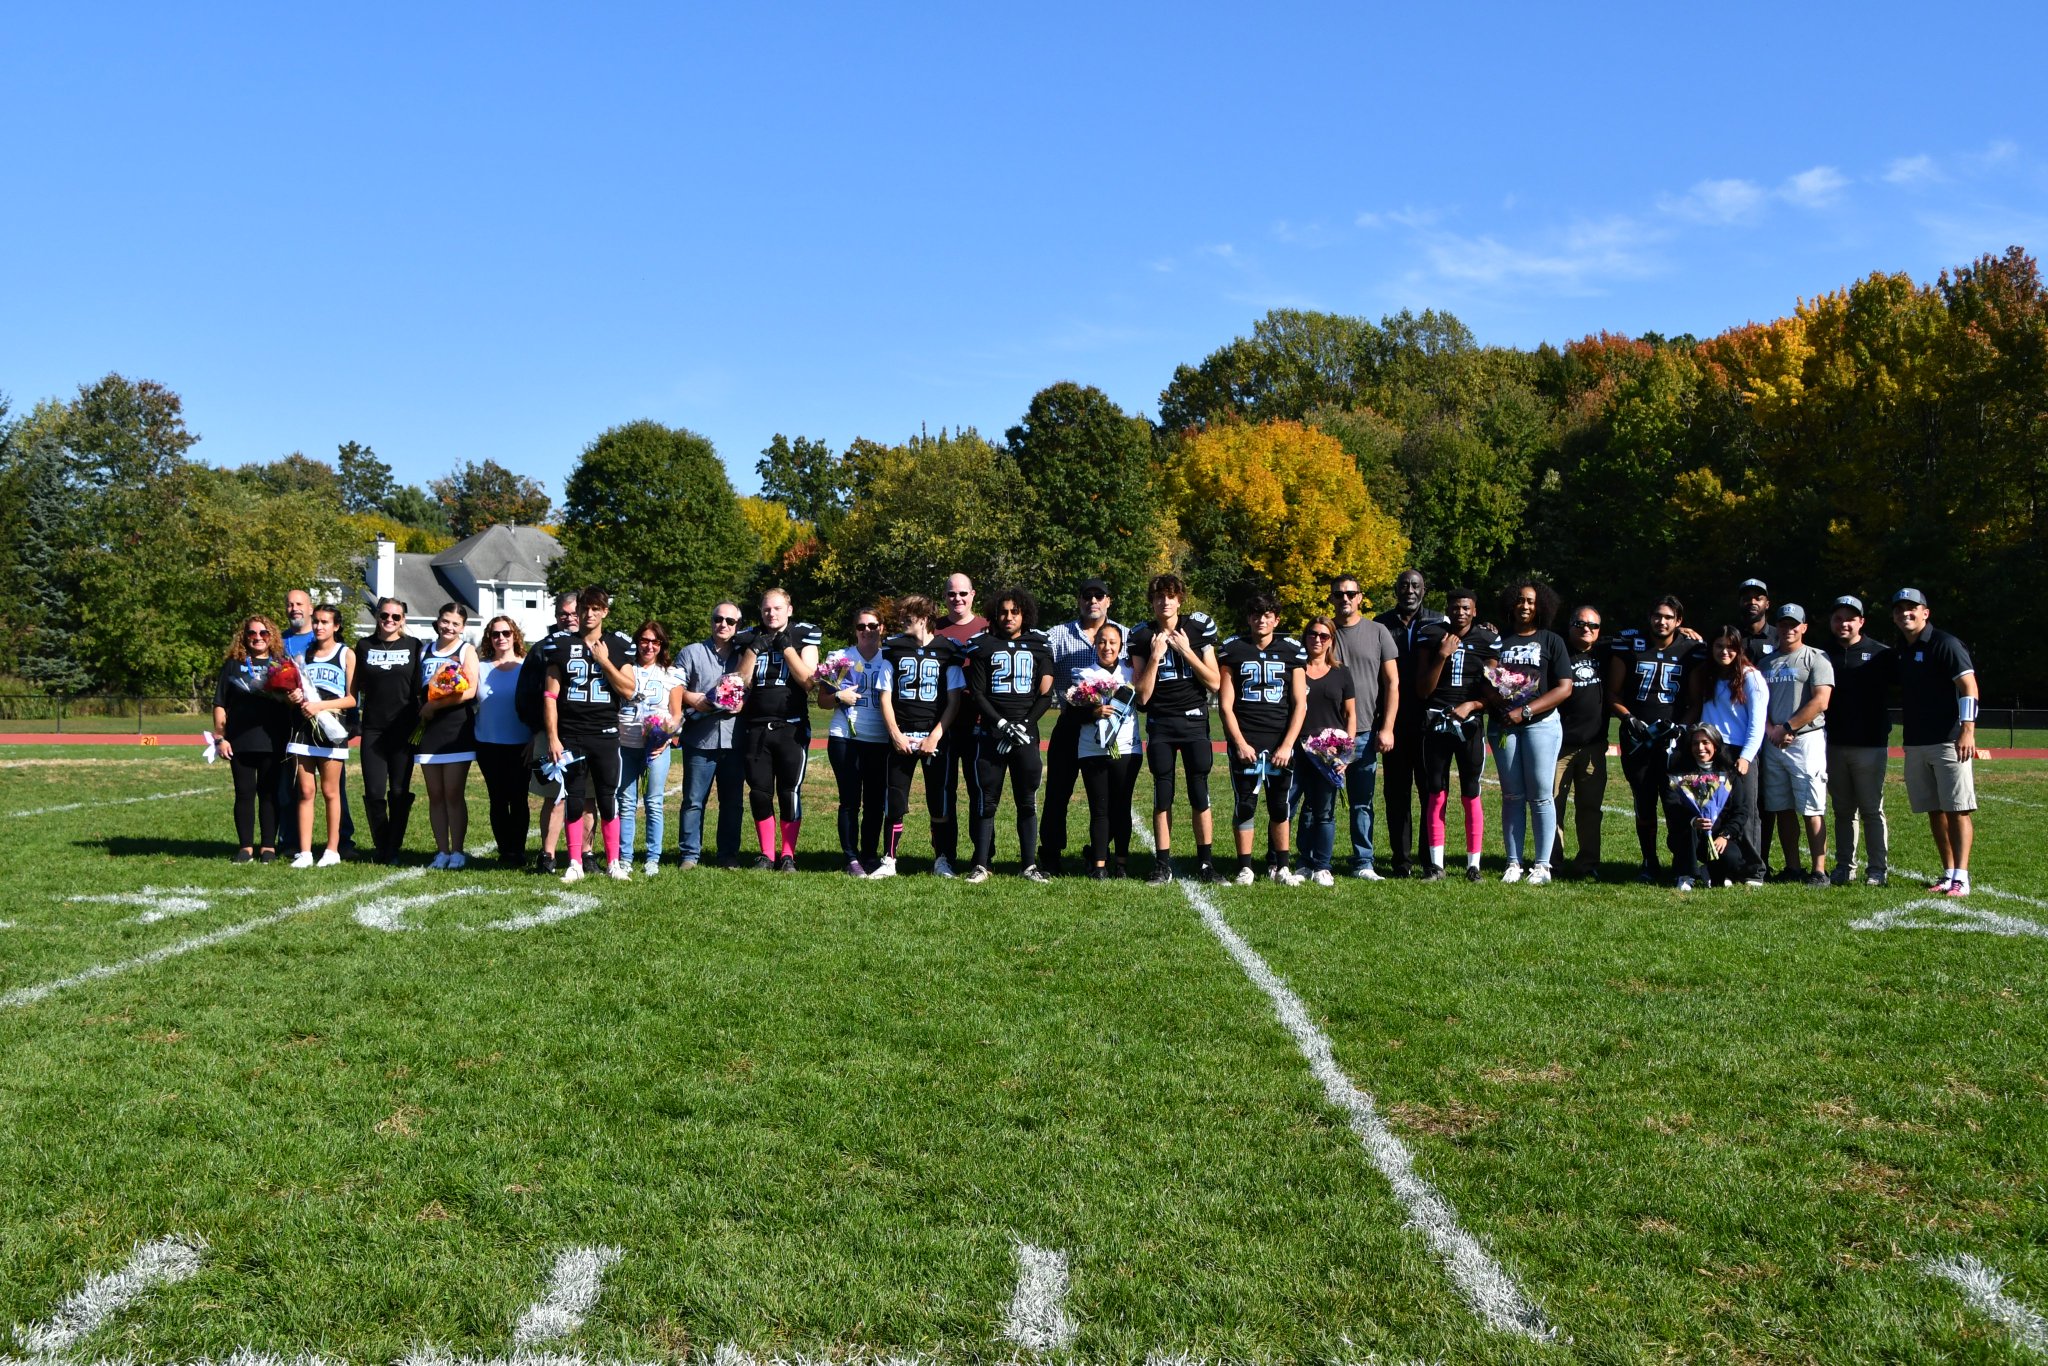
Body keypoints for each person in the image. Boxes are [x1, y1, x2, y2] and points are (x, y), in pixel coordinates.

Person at [1129, 573, 1222, 885]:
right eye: (1158, 596)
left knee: (1199, 792)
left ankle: (1206, 864)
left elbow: (1215, 683)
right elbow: (1142, 696)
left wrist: (1186, 651)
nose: (1164, 602)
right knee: (1162, 795)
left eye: (1170, 596)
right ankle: (1162, 863)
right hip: (1161, 723)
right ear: (1152, 601)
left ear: (1180, 598)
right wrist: (1155, 658)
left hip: (1195, 720)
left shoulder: (1196, 628)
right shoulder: (1142, 635)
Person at [1607, 595, 1707, 883]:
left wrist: (1681, 728)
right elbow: (1613, 693)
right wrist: (1628, 718)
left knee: (1676, 803)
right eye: (1657, 615)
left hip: (1673, 741)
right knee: (1644, 801)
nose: (1661, 622)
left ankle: (1682, 864)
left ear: (1679, 622)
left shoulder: (1692, 650)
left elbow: (1695, 700)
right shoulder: (1630, 645)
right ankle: (1649, 861)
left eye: (1668, 617)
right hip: (1638, 739)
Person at [1483, 579, 1575, 886]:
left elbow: (1564, 688)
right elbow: (1490, 676)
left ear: (1542, 606)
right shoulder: (1499, 639)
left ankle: (1542, 865)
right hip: (1504, 726)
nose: (1525, 606)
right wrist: (1501, 697)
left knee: (1540, 796)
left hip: (1541, 725)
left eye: (1531, 601)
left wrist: (1525, 710)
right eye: (1520, 600)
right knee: (1511, 795)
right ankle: (1513, 862)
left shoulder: (1552, 641)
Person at [962, 588, 1056, 883]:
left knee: (1027, 800)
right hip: (992, 734)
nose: (1009, 617)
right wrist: (1002, 724)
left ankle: (1028, 865)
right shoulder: (982, 644)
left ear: (1024, 613)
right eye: (1003, 611)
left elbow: (1046, 693)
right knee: (986, 801)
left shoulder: (1039, 644)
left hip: (1025, 734)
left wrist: (1024, 724)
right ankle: (980, 864)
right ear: (994, 613)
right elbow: (977, 693)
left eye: (1015, 611)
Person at [544, 586, 637, 882]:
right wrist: (553, 737)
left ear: (605, 611)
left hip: (606, 733)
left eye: (596, 608)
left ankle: (613, 862)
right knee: (573, 796)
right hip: (571, 734)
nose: (590, 613)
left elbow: (629, 690)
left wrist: (604, 661)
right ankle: (574, 861)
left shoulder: (618, 644)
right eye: (585, 607)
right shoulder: (560, 644)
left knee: (608, 798)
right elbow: (549, 695)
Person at [1891, 587, 1979, 897]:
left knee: (1958, 808)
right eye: (1900, 609)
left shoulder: (1946, 643)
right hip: (1916, 742)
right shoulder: (1901, 648)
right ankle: (1947, 872)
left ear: (1925, 612)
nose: (1906, 613)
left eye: (1912, 607)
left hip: (1948, 741)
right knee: (1934, 810)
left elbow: (1969, 686)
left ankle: (1962, 876)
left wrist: (1967, 730)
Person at [1216, 592, 1309, 885]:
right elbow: (1225, 703)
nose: (1262, 620)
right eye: (1257, 615)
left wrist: (1287, 744)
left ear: (1276, 619)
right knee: (1245, 803)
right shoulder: (1234, 649)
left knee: (1280, 805)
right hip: (1247, 737)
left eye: (1268, 615)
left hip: (1279, 737)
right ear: (1249, 618)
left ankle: (1282, 867)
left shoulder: (1292, 651)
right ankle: (1245, 867)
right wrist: (1240, 743)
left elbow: (1300, 704)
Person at [731, 588, 822, 871]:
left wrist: (786, 648)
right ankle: (766, 854)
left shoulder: (804, 634)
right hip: (755, 726)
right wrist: (753, 650)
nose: (772, 613)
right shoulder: (748, 637)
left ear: (789, 609)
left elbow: (809, 681)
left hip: (791, 726)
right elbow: (738, 682)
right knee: (759, 791)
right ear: (761, 611)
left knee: (788, 791)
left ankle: (787, 855)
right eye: (767, 609)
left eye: (778, 608)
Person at [1037, 577, 1122, 875]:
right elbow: (1036, 650)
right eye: (1087, 596)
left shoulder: (1122, 634)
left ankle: (1097, 851)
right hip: (1072, 722)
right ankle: (1050, 853)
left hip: (1110, 728)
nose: (1093, 601)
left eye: (1100, 595)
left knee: (1108, 796)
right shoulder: (1060, 634)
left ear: (1109, 600)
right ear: (1080, 600)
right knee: (1058, 793)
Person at [877, 595, 967, 877]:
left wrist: (935, 737)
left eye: (908, 615)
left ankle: (942, 859)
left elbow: (954, 700)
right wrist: (895, 734)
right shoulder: (893, 649)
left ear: (925, 618)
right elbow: (885, 694)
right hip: (902, 734)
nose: (902, 619)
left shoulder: (947, 650)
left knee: (939, 800)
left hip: (934, 735)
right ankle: (889, 859)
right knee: (894, 800)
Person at [1414, 589, 1494, 882]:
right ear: (1448, 609)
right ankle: (1436, 864)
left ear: (1474, 610)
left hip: (1471, 724)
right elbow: (1423, 690)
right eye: (1455, 607)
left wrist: (1472, 704)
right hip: (1436, 721)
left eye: (1465, 607)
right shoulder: (1432, 634)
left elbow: (1495, 693)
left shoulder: (1487, 640)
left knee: (1471, 792)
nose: (1460, 612)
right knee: (1436, 792)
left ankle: (1474, 865)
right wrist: (1442, 656)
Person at [1374, 569, 1447, 877]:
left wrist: (1485, 627)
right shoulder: (1379, 624)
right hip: (1393, 719)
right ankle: (1401, 860)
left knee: (1430, 791)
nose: (1409, 590)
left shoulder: (1439, 621)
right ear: (1396, 589)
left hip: (1429, 720)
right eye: (1404, 585)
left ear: (1424, 590)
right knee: (1396, 792)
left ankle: (1430, 857)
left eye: (1415, 585)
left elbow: (1465, 636)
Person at [1328, 574, 1399, 879]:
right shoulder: (1323, 632)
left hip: (1367, 732)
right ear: (1332, 598)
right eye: (1339, 594)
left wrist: (1388, 727)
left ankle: (1363, 862)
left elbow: (1393, 682)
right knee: (1322, 802)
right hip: (1327, 735)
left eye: (1350, 593)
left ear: (1360, 597)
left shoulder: (1378, 631)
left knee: (1362, 802)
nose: (1345, 598)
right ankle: (1317, 861)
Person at [275, 587, 354, 856]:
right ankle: (300, 849)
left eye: (324, 622)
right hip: (299, 728)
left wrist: (321, 706)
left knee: (332, 791)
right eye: (317, 622)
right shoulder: (296, 649)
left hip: (331, 728)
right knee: (302, 791)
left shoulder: (345, 653)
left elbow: (352, 698)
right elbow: (292, 686)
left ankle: (337, 847)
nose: (319, 626)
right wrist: (293, 695)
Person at [1759, 604, 1834, 886]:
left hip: (1805, 740)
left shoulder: (1816, 658)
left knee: (1812, 807)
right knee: (1782, 808)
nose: (1787, 630)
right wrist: (1772, 730)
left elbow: (1821, 700)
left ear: (1803, 627)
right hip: (1774, 741)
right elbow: (1759, 703)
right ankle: (1792, 867)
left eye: (1794, 625)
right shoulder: (1767, 663)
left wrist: (1789, 727)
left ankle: (1818, 869)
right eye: (1783, 624)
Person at [1823, 595, 1894, 887]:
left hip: (1870, 744)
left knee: (1871, 809)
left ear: (1861, 622)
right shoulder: (1823, 654)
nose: (1844, 623)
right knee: (1842, 810)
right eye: (1838, 618)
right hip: (1835, 744)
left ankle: (1877, 868)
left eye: (1850, 618)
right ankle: (1844, 866)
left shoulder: (1882, 653)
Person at [211, 614, 294, 862]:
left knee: (269, 793)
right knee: (244, 793)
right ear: (244, 637)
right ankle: (245, 846)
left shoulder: (282, 664)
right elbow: (219, 703)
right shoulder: (233, 665)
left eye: (263, 633)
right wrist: (220, 738)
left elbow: (292, 701)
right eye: (252, 633)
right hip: (240, 740)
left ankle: (268, 846)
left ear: (272, 637)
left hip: (273, 739)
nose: (258, 638)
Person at [819, 608, 893, 876]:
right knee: (850, 800)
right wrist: (840, 697)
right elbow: (823, 701)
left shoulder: (890, 658)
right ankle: (851, 857)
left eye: (872, 625)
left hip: (880, 739)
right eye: (861, 626)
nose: (867, 631)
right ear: (855, 630)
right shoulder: (841, 658)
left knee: (875, 802)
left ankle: (869, 855)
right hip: (846, 738)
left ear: (881, 628)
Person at [673, 601, 746, 870]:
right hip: (699, 739)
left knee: (732, 802)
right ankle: (690, 855)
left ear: (738, 625)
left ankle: (727, 854)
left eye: (730, 621)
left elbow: (754, 690)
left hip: (734, 740)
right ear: (711, 620)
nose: (723, 625)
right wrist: (692, 698)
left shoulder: (744, 655)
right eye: (718, 619)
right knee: (693, 801)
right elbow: (674, 688)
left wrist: (744, 704)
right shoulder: (691, 652)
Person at [354, 597, 424, 864]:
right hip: (373, 728)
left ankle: (393, 848)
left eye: (396, 617)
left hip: (404, 728)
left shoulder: (413, 646)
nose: (390, 621)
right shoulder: (363, 646)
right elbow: (355, 686)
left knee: (398, 791)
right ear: (377, 617)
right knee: (373, 792)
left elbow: (420, 687)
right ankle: (382, 844)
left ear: (403, 619)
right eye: (385, 616)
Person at [1699, 628, 1770, 885]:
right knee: (1713, 811)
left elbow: (1757, 722)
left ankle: (1753, 870)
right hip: (1711, 751)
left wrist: (1747, 757)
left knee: (1746, 811)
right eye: (1719, 646)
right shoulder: (1708, 675)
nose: (1724, 652)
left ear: (1739, 649)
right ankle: (1718, 868)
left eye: (1730, 647)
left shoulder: (1751, 677)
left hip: (1740, 751)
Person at [517, 591, 579, 874]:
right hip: (550, 734)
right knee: (554, 797)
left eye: (574, 612)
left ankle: (585, 855)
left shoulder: (597, 647)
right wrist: (537, 733)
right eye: (563, 614)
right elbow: (526, 696)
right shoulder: (542, 649)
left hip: (587, 733)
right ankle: (548, 855)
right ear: (556, 617)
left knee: (586, 796)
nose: (569, 618)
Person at [415, 603, 480, 869]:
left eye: (455, 624)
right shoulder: (424, 651)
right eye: (445, 621)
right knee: (435, 794)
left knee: (453, 793)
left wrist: (436, 705)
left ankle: (458, 851)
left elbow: (470, 690)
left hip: (456, 728)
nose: (449, 627)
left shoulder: (466, 650)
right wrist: (426, 707)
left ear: (463, 627)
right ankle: (441, 851)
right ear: (438, 621)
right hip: (429, 728)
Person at [1075, 620, 1141, 880]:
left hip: (1126, 747)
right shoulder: (1084, 674)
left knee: (1122, 807)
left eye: (1113, 642)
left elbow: (1145, 697)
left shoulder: (1130, 672)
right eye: (1102, 641)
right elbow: (1072, 713)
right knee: (1099, 809)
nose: (1107, 647)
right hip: (1092, 749)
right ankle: (1099, 865)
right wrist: (1093, 711)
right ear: (1095, 644)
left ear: (1121, 645)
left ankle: (1122, 864)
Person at [1293, 615, 1355, 888]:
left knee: (1325, 811)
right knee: (1300, 809)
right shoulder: (1295, 668)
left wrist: (1345, 754)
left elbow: (1350, 714)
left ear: (1331, 640)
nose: (1317, 640)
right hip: (1298, 749)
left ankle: (1322, 865)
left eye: (1323, 636)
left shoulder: (1342, 672)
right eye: (1312, 634)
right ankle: (1303, 862)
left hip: (1329, 751)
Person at [617, 620, 684, 876]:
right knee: (626, 802)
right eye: (644, 640)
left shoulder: (671, 674)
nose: (649, 646)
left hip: (657, 747)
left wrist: (665, 737)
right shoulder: (625, 669)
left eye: (655, 641)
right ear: (637, 641)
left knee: (654, 802)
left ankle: (652, 858)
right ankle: (625, 857)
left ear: (662, 645)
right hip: (626, 744)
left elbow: (676, 714)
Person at [933, 572, 988, 868]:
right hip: (941, 722)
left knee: (978, 789)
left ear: (973, 594)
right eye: (952, 594)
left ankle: (982, 855)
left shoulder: (987, 628)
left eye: (963, 594)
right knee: (944, 790)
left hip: (978, 721)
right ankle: (944, 853)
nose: (958, 599)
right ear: (945, 596)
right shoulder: (934, 629)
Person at [1551, 606, 1609, 877]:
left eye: (1593, 625)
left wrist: (1683, 631)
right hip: (1558, 745)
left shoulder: (1607, 653)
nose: (1587, 629)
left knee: (1590, 809)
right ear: (1570, 625)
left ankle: (1588, 865)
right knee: (1552, 805)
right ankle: (1551, 862)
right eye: (1580, 623)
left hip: (1594, 746)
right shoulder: (1557, 650)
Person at [473, 615, 534, 869]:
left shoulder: (527, 667)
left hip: (521, 743)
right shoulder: (478, 667)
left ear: (514, 636)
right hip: (487, 743)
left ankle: (518, 850)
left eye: (506, 633)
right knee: (497, 798)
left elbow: (536, 706)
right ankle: (504, 850)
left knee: (518, 798)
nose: (501, 638)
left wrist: (534, 738)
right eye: (495, 634)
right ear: (489, 638)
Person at [1663, 724, 1748, 891]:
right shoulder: (1680, 772)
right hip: (1688, 835)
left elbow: (1740, 811)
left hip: (1718, 837)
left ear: (1715, 745)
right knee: (1688, 834)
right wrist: (1693, 821)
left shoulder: (1729, 774)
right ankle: (1686, 874)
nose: (1700, 748)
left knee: (1733, 859)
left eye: (1705, 742)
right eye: (1695, 743)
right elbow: (1672, 806)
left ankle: (1709, 870)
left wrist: (1725, 835)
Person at [1737, 578, 1778, 663]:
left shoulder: (1779, 637)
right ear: (1739, 602)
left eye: (1758, 599)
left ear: (1767, 604)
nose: (1752, 602)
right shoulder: (1731, 636)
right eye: (1747, 598)